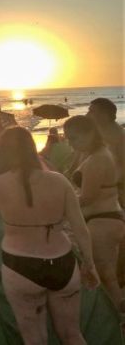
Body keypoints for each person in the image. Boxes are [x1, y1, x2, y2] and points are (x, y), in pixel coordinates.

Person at [0, 127, 99, 345]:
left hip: (21, 266)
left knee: (34, 339)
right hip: (62, 261)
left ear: (1, 152)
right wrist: (89, 264)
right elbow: (80, 228)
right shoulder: (59, 181)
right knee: (72, 334)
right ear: (31, 149)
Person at [64, 116, 124, 311]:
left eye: (74, 138)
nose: (71, 143)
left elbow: (87, 197)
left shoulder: (98, 158)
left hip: (102, 222)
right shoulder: (94, 154)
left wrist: (62, 206)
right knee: (107, 274)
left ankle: (119, 316)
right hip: (104, 220)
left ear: (90, 134)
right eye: (68, 139)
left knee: (105, 274)